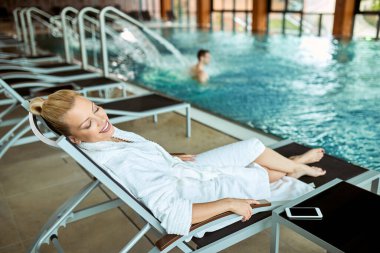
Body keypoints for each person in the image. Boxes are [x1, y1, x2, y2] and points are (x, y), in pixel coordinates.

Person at [30, 90, 326, 236]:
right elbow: (172, 217)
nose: (101, 121)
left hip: (178, 169)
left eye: (96, 109)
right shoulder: (124, 164)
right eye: (88, 123)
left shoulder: (103, 137)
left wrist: (167, 157)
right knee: (268, 173)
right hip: (192, 193)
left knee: (253, 146)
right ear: (76, 139)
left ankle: (295, 163)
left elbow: (139, 157)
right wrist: (227, 203)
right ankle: (293, 166)